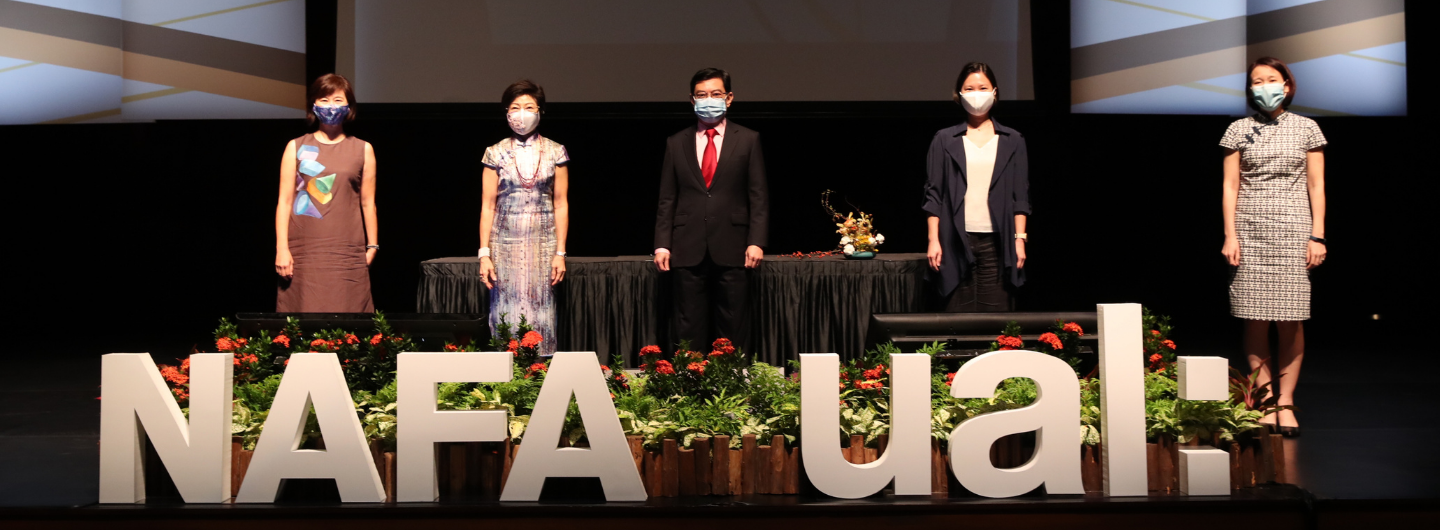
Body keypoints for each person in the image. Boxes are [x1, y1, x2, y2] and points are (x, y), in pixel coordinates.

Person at [1220, 57, 1327, 437]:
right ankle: (1264, 400)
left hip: (1293, 230)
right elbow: (1230, 185)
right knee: (1255, 315)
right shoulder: (1238, 129)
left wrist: (1318, 235)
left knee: (1291, 317)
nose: (1263, 85)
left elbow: (1316, 185)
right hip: (1250, 230)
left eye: (1271, 79)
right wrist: (1230, 235)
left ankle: (1286, 401)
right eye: (1256, 81)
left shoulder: (1307, 128)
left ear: (1286, 84)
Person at [654, 68, 769, 349]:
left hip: (734, 246)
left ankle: (732, 385)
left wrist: (756, 241)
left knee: (733, 322)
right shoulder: (676, 142)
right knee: (688, 323)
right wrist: (662, 244)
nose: (709, 100)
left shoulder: (748, 139)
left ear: (729, 98)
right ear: (692, 100)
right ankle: (690, 383)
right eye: (702, 95)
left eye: (716, 94)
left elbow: (758, 195)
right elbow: (667, 198)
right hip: (687, 246)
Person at [921, 62, 1030, 312]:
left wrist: (1019, 240)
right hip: (955, 239)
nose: (976, 93)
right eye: (969, 88)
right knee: (956, 320)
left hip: (998, 241)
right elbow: (933, 194)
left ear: (994, 92)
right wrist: (933, 239)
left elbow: (1020, 196)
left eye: (982, 87)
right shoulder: (944, 139)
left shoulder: (1012, 140)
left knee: (996, 318)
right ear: (959, 94)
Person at [479, 80, 570, 356]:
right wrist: (484, 253)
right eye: (516, 107)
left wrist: (560, 253)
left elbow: (561, 204)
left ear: (540, 111)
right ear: (507, 112)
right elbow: (487, 206)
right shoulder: (494, 153)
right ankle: (504, 379)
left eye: (528, 107)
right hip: (503, 246)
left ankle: (540, 376)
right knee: (504, 313)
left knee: (541, 311)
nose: (522, 113)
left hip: (543, 246)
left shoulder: (556, 151)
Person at [275, 73, 377, 312]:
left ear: (349, 106)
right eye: (324, 100)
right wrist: (282, 248)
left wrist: (372, 246)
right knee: (302, 316)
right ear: (313, 104)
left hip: (346, 250)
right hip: (304, 250)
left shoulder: (363, 149)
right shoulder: (296, 147)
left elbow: (368, 204)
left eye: (338, 100)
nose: (331, 106)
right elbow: (284, 201)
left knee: (349, 318)